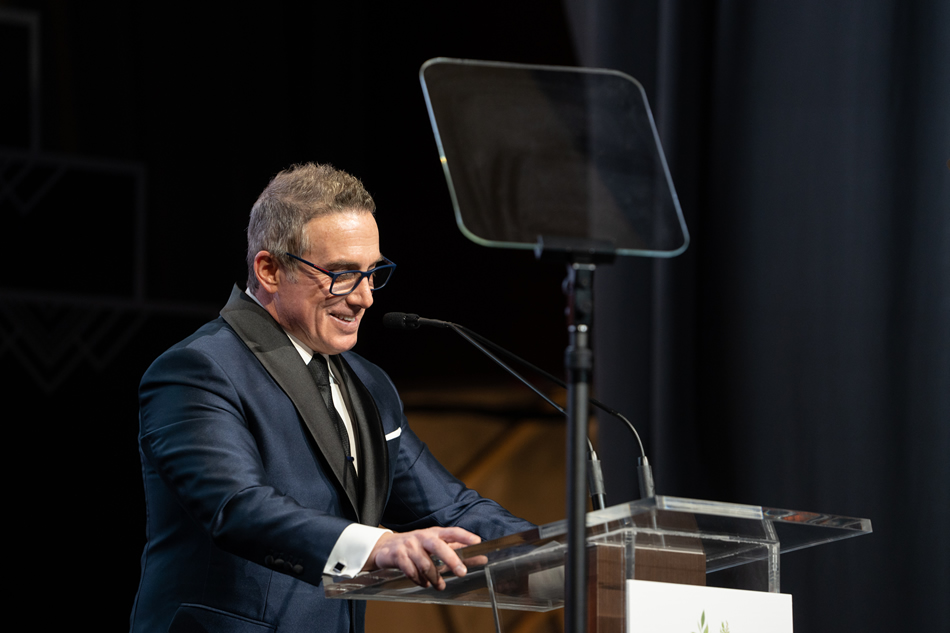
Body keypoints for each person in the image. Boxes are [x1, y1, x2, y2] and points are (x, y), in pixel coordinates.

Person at [130, 163, 532, 633]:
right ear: (269, 270)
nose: (365, 298)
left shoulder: (369, 384)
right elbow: (237, 508)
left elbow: (451, 508)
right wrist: (377, 545)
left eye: (372, 273)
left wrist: (556, 551)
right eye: (341, 274)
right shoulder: (198, 370)